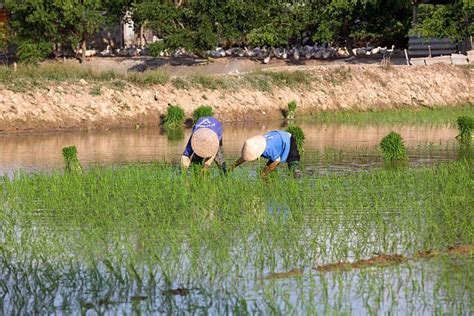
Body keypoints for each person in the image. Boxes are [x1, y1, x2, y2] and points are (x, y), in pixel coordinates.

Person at [231, 130, 302, 178]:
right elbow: (244, 158)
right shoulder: (256, 145)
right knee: (265, 172)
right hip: (276, 138)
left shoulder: (268, 150)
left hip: (287, 139)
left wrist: (265, 172)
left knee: (292, 161)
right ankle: (270, 182)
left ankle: (297, 176)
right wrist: (232, 167)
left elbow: (277, 160)